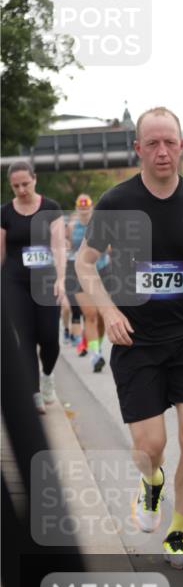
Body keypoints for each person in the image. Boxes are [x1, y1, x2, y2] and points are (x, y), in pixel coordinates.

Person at [76, 107, 183, 568]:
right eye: (153, 144)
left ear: (182, 146)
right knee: (149, 448)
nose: (163, 151)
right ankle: (151, 484)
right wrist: (107, 310)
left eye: (170, 142)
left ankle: (178, 533)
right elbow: (85, 263)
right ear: (139, 149)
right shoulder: (116, 202)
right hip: (136, 339)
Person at [1, 161, 66, 413]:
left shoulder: (51, 208)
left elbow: (58, 246)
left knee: (49, 338)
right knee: (25, 338)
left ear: (34, 179)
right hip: (14, 282)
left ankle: (47, 376)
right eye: (16, 186)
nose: (21, 189)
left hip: (46, 281)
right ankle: (34, 393)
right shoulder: (5, 213)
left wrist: (61, 279)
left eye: (25, 184)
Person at [66, 193, 108, 372]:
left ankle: (96, 344)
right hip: (79, 273)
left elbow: (110, 247)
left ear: (92, 207)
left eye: (87, 207)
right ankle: (96, 354)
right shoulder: (71, 226)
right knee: (90, 314)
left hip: (102, 271)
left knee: (102, 317)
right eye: (80, 207)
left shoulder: (101, 225)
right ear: (77, 208)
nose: (84, 210)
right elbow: (65, 246)